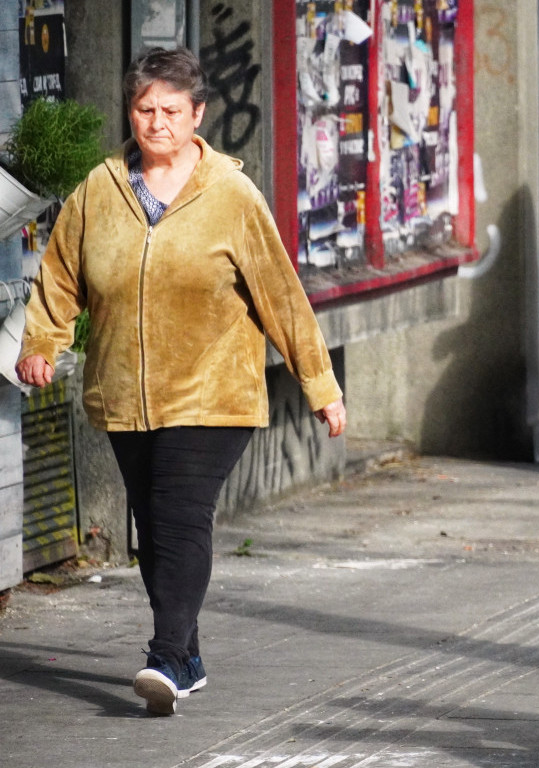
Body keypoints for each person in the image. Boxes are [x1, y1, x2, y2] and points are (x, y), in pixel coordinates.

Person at [16, 47, 346, 716]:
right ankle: (187, 655)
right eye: (144, 109)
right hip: (126, 392)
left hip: (213, 392)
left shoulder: (231, 196)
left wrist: (321, 386)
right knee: (154, 526)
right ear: (129, 112)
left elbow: (282, 296)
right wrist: (42, 342)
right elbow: (59, 276)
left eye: (171, 110)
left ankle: (164, 657)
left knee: (179, 512)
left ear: (198, 114)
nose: (156, 122)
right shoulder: (99, 192)